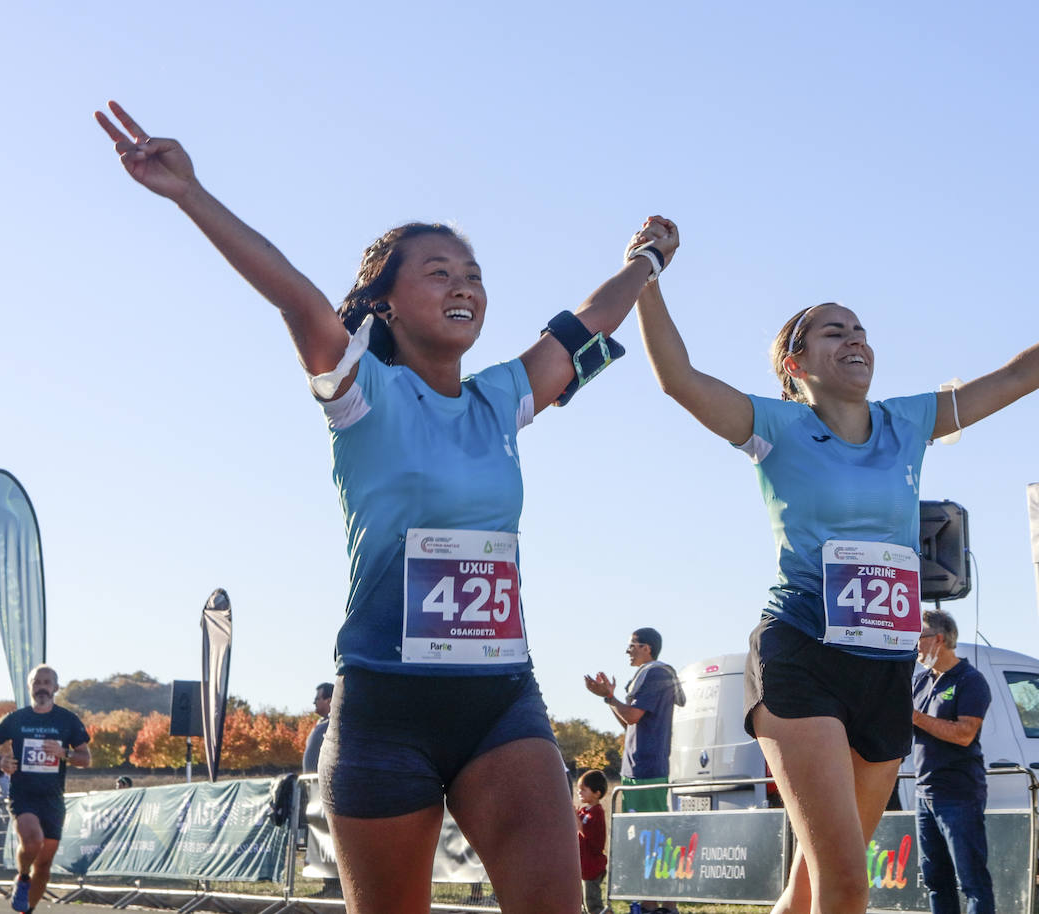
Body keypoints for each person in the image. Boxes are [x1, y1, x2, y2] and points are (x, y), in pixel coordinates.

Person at [96, 100, 678, 914]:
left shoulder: (503, 396)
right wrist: (190, 192)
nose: (464, 284)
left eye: (472, 273)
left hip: (501, 701)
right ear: (388, 302)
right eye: (439, 271)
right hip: (384, 708)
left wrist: (649, 258)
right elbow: (296, 296)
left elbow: (590, 320)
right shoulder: (360, 393)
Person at [633, 226, 1039, 913]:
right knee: (848, 885)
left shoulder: (907, 422)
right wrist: (646, 275)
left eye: (861, 330)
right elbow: (679, 380)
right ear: (795, 362)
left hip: (884, 668)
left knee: (814, 885)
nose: (855, 339)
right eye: (833, 331)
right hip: (802, 651)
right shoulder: (773, 428)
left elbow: (1018, 377)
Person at [0, 665, 91, 914]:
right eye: (36, 682)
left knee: (43, 865)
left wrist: (63, 753)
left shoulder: (67, 720)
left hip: (52, 798)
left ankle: (27, 909)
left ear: (56, 687)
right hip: (23, 794)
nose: (41, 686)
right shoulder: (17, 718)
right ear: (30, 687)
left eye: (46, 682)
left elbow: (86, 758)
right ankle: (22, 877)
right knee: (33, 841)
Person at [912, 609, 994, 914]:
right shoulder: (920, 682)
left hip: (958, 794)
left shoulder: (971, 680)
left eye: (918, 637)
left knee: (972, 881)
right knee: (935, 879)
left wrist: (916, 718)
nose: (915, 645)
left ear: (939, 639)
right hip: (924, 793)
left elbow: (964, 734)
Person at [584, 628, 685, 813]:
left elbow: (631, 716)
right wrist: (609, 698)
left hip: (648, 770)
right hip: (634, 769)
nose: (627, 651)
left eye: (631, 646)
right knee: (635, 834)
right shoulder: (644, 675)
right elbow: (628, 723)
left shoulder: (656, 673)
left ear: (646, 648)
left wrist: (609, 696)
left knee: (651, 835)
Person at [575, 770, 610, 914]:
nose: (579, 793)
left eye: (583, 789)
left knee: (593, 904)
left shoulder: (596, 813)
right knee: (581, 904)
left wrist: (575, 819)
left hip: (592, 868)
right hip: (583, 867)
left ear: (597, 793)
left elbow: (586, 832)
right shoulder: (583, 812)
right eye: (579, 790)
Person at [301, 682, 333, 774]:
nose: (314, 702)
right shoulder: (320, 724)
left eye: (317, 699)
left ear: (329, 700)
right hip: (311, 784)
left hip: (325, 784)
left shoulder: (336, 725)